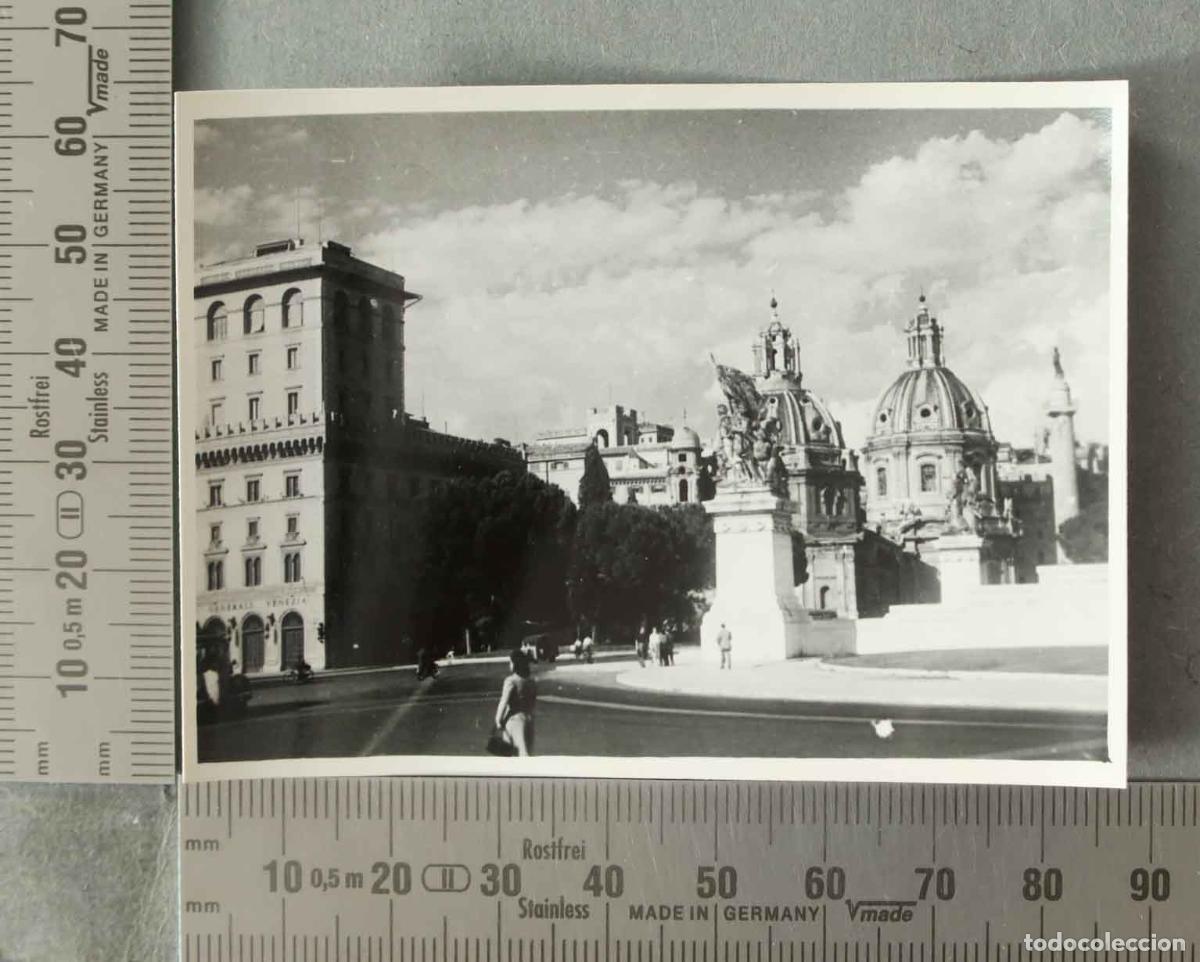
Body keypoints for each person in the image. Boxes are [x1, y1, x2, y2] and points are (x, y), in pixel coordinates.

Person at [494, 648, 536, 756]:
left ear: (515, 664)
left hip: (514, 720)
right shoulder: (531, 682)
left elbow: (504, 701)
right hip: (528, 719)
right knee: (526, 753)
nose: (509, 664)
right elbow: (532, 702)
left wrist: (498, 719)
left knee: (511, 756)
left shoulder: (511, 681)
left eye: (510, 662)